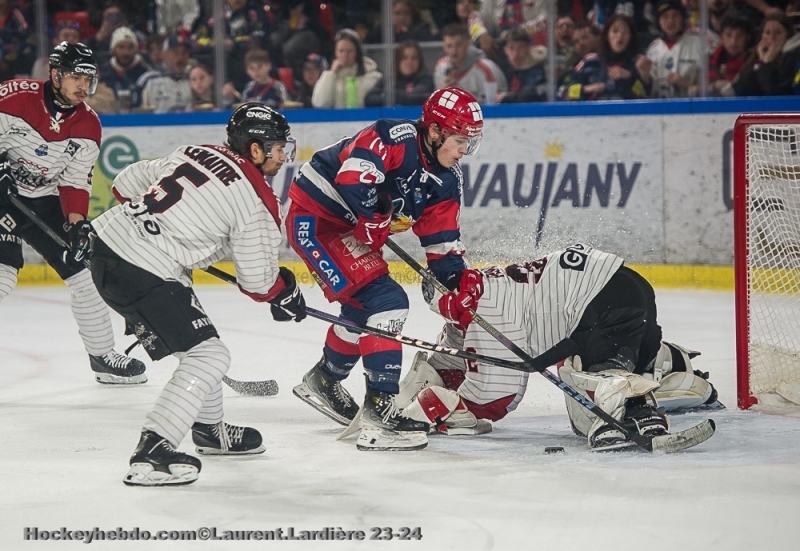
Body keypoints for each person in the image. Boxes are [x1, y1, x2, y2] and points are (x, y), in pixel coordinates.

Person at [87, 103, 307, 486]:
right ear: (254, 149)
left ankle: (210, 430)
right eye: (276, 147)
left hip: (107, 244)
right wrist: (284, 292)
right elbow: (258, 281)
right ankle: (153, 450)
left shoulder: (196, 151)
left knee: (198, 343)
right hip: (144, 268)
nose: (282, 155)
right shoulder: (257, 201)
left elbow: (125, 182)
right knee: (210, 354)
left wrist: (162, 228)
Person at [286, 87, 484, 451]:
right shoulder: (393, 136)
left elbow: (441, 247)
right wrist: (374, 215)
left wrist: (457, 281)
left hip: (348, 228)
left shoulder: (446, 181)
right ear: (436, 131)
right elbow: (353, 178)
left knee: (367, 305)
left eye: (469, 143)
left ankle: (325, 378)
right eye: (459, 140)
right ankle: (381, 412)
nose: (462, 152)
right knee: (386, 301)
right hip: (318, 219)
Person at [400, 244, 721, 449]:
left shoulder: (486, 311)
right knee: (632, 352)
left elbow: (497, 396)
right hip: (628, 286)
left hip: (600, 305)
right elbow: (457, 349)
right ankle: (675, 367)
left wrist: (436, 406)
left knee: (580, 383)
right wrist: (437, 376)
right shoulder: (488, 287)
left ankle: (633, 409)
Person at [0, 41, 146, 385]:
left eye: (88, 78)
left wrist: (77, 225)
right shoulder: (13, 97)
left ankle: (102, 357)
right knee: (3, 276)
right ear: (54, 74)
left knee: (85, 273)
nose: (83, 86)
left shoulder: (88, 125)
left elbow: (76, 181)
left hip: (44, 198)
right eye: (76, 77)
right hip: (3, 197)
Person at [561, 14, 648, 101]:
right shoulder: (590, 61)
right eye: (615, 31)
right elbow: (564, 92)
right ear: (607, 36)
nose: (620, 36)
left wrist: (630, 77)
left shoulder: (638, 62)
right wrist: (587, 89)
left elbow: (646, 95)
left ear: (631, 36)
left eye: (625, 31)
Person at [725, 12, 799, 96]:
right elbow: (739, 90)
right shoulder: (752, 62)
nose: (772, 38)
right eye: (767, 33)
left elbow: (776, 92)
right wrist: (760, 63)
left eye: (778, 32)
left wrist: (767, 63)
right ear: (761, 37)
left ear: (788, 35)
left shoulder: (795, 60)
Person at [433, 23, 507, 104]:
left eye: (458, 45)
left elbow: (500, 103)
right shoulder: (440, 67)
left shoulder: (487, 68)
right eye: (449, 46)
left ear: (467, 43)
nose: (454, 51)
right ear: (443, 46)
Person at [643, 0, 704, 98]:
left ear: (683, 18)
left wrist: (687, 84)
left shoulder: (702, 39)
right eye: (665, 16)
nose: (670, 20)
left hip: (696, 108)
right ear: (658, 21)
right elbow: (649, 90)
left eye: (675, 15)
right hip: (663, 109)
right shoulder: (653, 49)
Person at [311, 28, 383, 108]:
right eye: (341, 51)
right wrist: (331, 74)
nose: (345, 55)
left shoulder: (371, 73)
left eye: (350, 51)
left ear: (357, 52)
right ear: (335, 52)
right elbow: (320, 104)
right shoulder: (328, 76)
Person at [363, 39, 435, 106]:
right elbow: (369, 99)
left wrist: (391, 95)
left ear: (420, 61)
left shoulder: (426, 79)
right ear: (398, 60)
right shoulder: (389, 80)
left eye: (414, 58)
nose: (409, 62)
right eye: (405, 58)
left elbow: (419, 97)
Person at [133, 34, 192, 113]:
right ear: (164, 54)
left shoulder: (195, 78)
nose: (180, 57)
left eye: (184, 53)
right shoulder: (148, 80)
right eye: (175, 52)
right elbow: (134, 112)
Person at [99, 27, 152, 113]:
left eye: (130, 47)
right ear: (113, 49)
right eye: (121, 47)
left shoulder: (145, 72)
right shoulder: (103, 72)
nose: (126, 52)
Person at [497, 26, 547, 103]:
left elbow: (530, 95)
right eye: (511, 48)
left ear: (528, 48)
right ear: (505, 50)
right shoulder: (502, 70)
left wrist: (508, 97)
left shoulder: (538, 70)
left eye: (521, 48)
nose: (516, 53)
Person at [708, 15, 752, 96]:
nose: (733, 41)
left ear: (747, 38)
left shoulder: (753, 61)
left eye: (739, 36)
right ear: (721, 36)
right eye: (728, 35)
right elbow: (696, 87)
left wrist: (732, 86)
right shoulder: (710, 58)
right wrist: (713, 86)